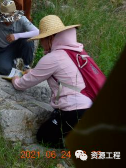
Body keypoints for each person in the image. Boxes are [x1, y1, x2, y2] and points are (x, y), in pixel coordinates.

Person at [11, 15, 94, 148]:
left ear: (50, 38)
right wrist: (32, 71)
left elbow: (22, 84)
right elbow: (58, 71)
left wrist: (15, 78)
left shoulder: (53, 57)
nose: (41, 44)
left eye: (42, 39)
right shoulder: (74, 51)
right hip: (88, 107)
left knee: (43, 137)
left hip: (74, 111)